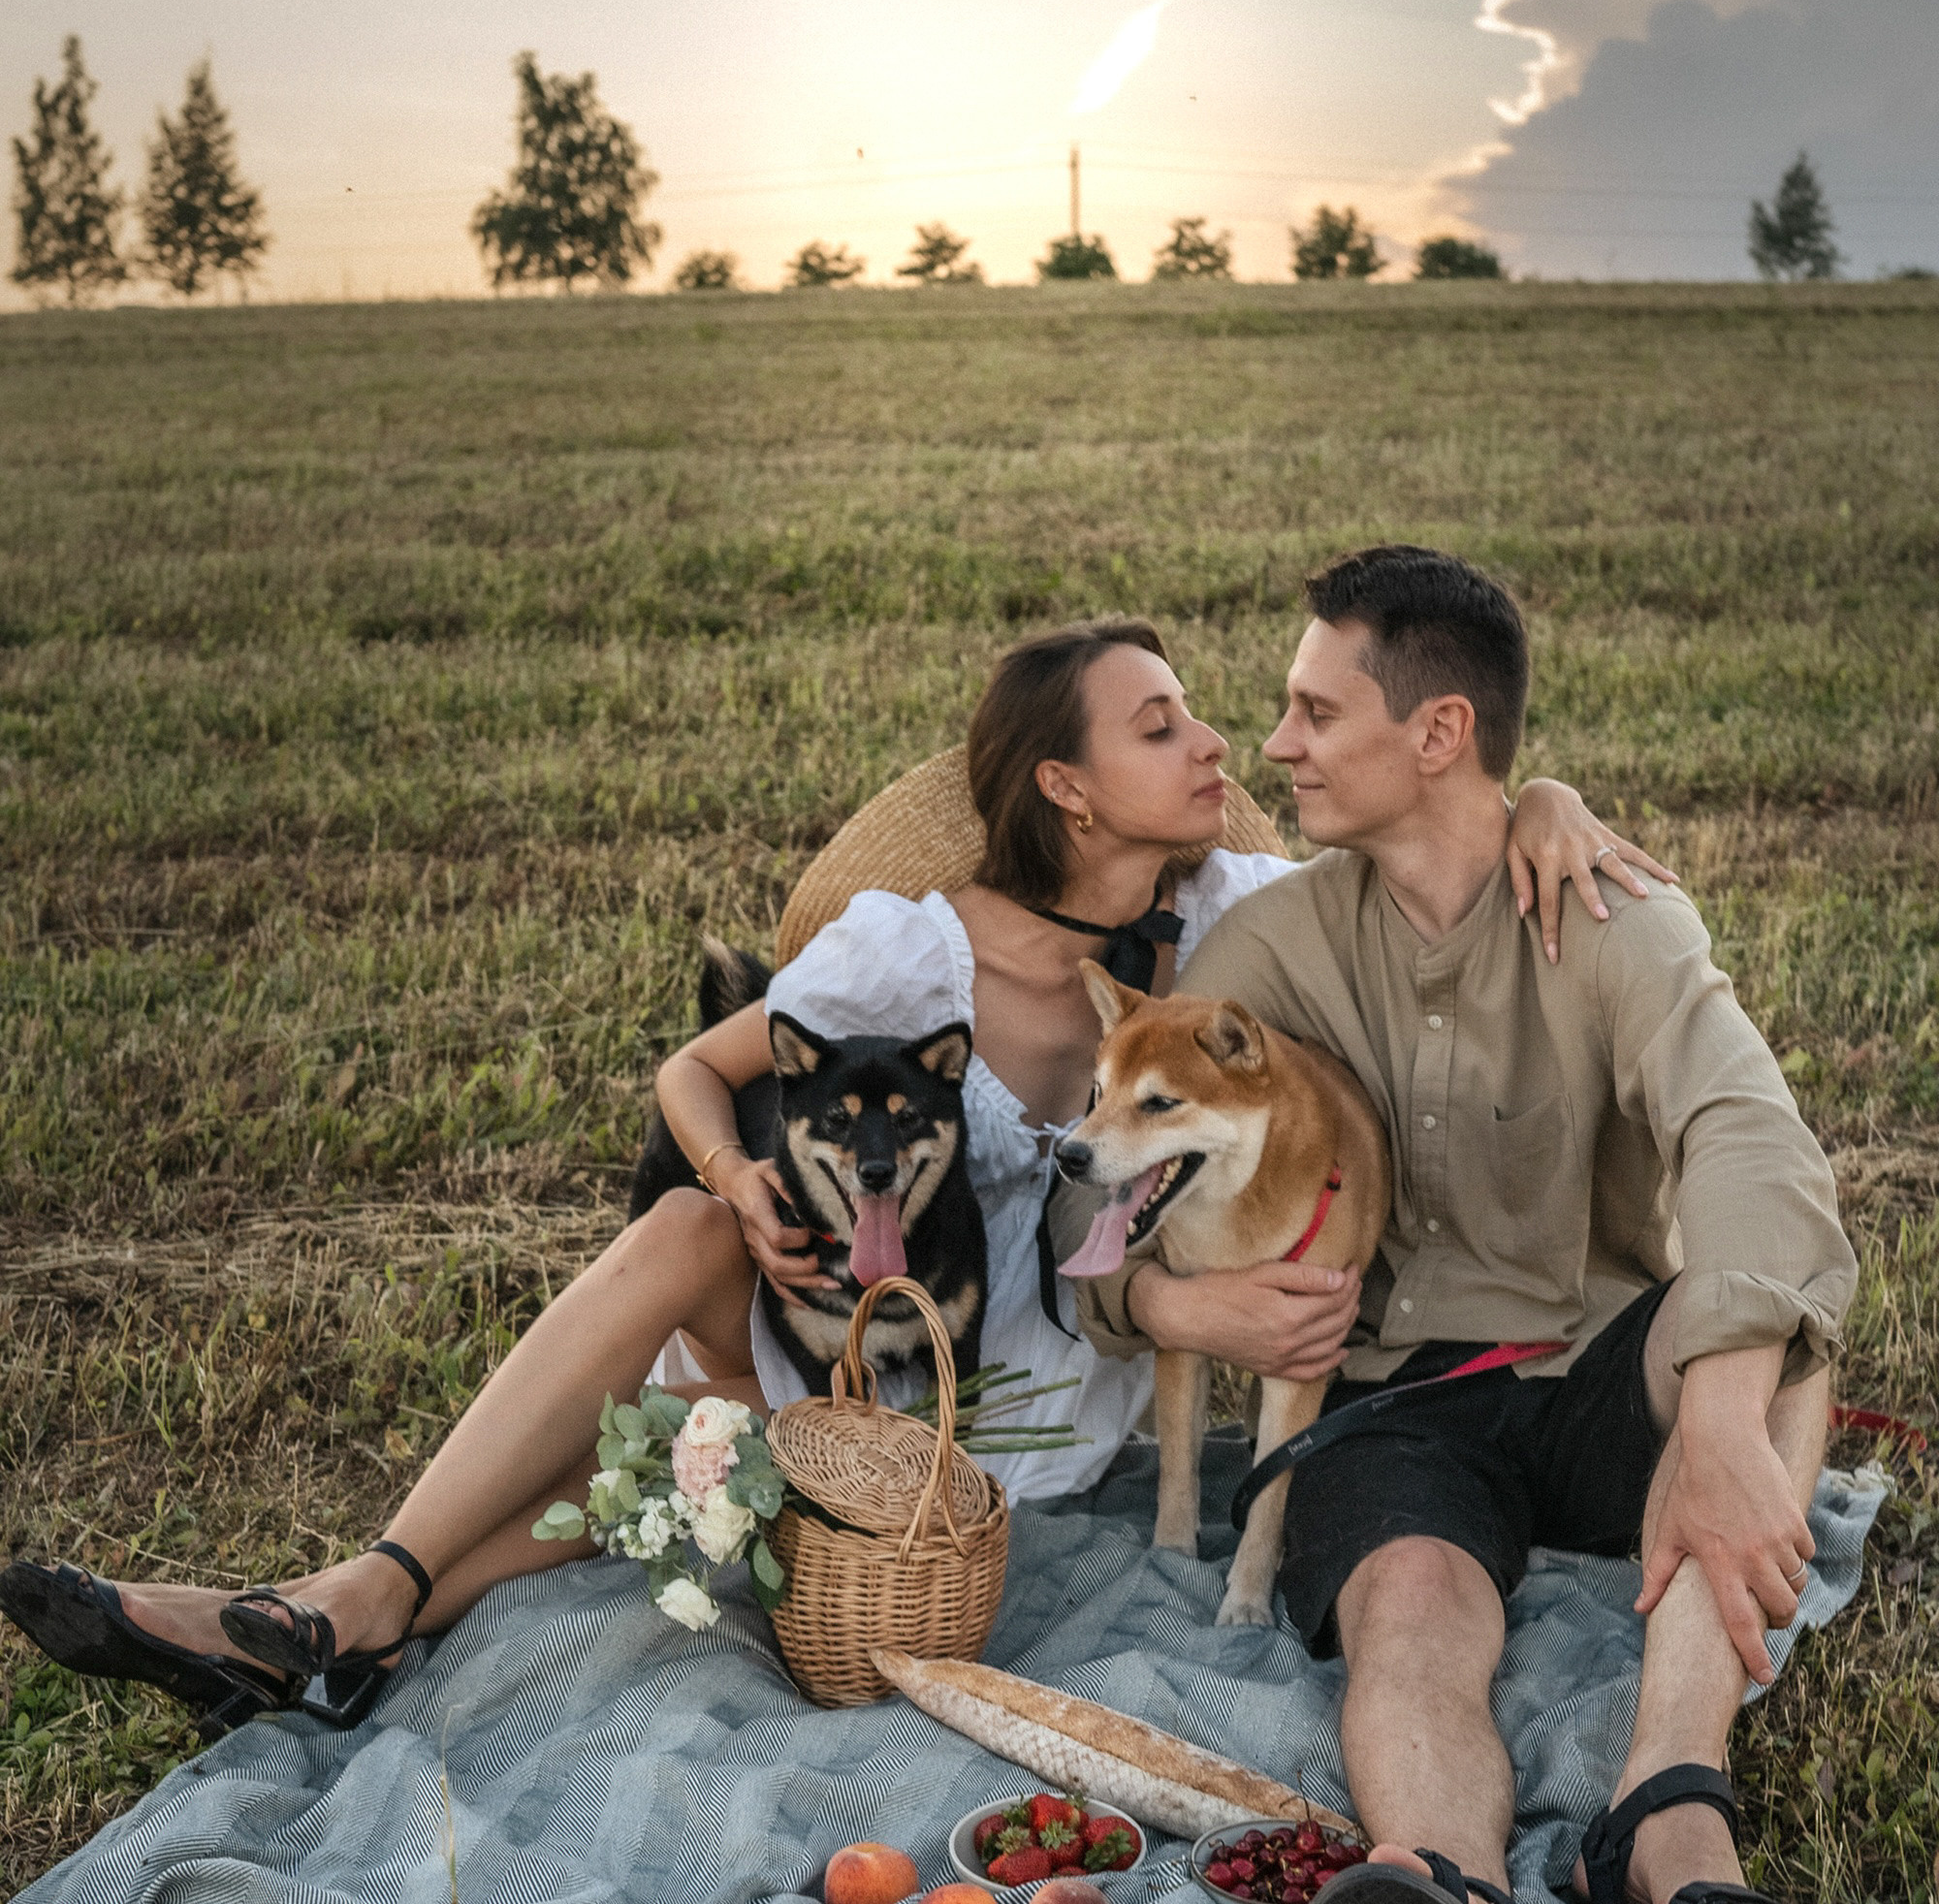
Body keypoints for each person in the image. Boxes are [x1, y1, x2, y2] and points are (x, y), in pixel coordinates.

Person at [1, 616, 1656, 1739]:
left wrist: (1553, 800)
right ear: (1069, 786)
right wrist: (740, 1192)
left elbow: (1433, 833)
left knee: (675, 1493)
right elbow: (696, 1077)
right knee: (674, 1251)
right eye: (1167, 725)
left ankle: (329, 1616)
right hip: (855, 1337)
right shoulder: (910, 949)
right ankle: (354, 1590)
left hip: (1029, 1418)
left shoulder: (1241, 907)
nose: (1220, 739)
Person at [1076, 546, 1857, 1904]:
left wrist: (1708, 1424)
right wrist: (1165, 1296)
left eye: (1314, 710)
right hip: (1386, 1401)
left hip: (1587, 1364)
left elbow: (1757, 1143)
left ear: (1437, 736)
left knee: (1780, 1361)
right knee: (1414, 1604)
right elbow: (1120, 1170)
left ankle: (1665, 1803)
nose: (1275, 744)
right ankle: (1448, 1895)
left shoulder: (1616, 912)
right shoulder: (1270, 948)